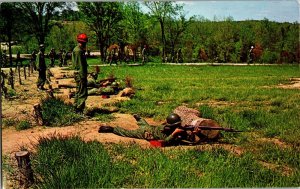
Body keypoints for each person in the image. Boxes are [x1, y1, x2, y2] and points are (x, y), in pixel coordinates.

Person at [99, 106, 222, 146]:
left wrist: (195, 133)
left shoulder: (172, 128)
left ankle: (139, 118)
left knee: (145, 123)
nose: (178, 127)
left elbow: (186, 139)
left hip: (152, 128)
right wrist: (174, 134)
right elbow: (163, 143)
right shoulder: (167, 132)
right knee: (129, 132)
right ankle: (111, 128)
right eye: (176, 126)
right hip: (147, 133)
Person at [72, 33, 88, 113]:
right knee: (82, 93)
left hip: (78, 73)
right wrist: (83, 76)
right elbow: (80, 65)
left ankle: (77, 108)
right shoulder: (78, 51)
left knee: (79, 91)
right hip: (80, 74)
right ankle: (79, 109)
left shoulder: (78, 50)